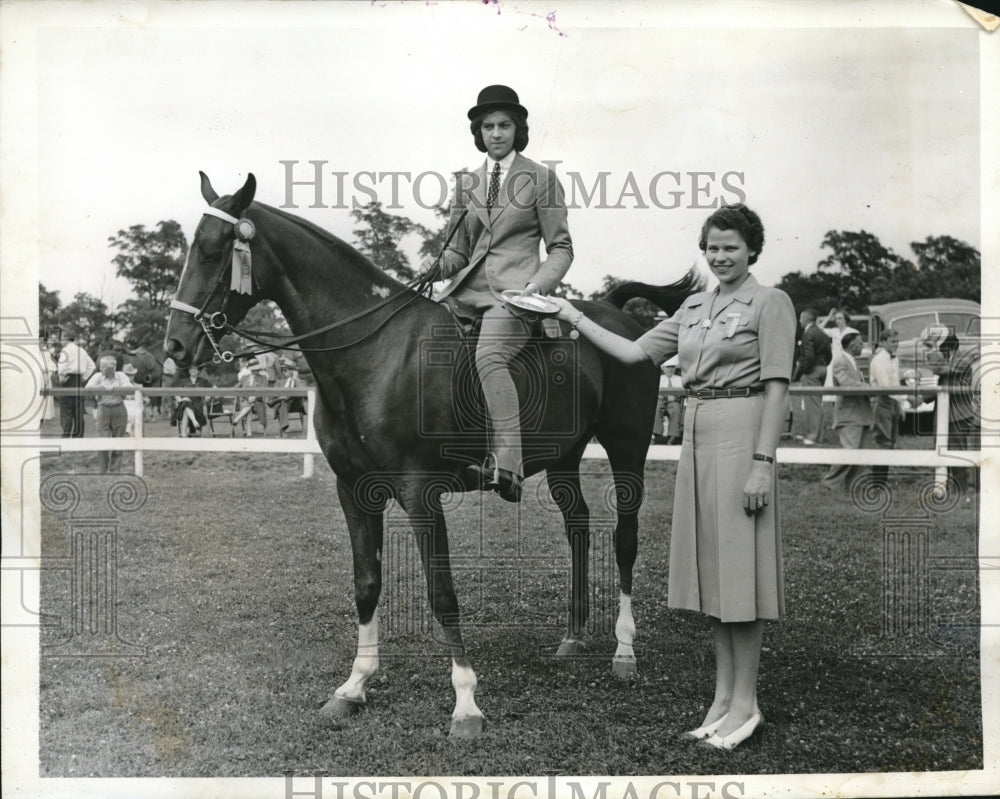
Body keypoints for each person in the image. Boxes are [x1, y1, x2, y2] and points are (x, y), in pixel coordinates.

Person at [551, 203, 795, 751]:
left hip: (743, 427)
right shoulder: (693, 306)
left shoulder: (770, 302)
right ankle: (722, 699)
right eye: (712, 247)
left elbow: (778, 386)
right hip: (699, 430)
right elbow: (634, 352)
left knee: (741, 572)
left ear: (752, 250)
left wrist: (763, 462)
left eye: (731, 247)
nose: (720, 256)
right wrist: (575, 318)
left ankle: (747, 704)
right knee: (713, 571)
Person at [424, 84, 573, 502]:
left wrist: (536, 288)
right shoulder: (467, 182)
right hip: (465, 290)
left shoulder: (542, 179)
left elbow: (561, 247)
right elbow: (457, 248)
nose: (496, 133)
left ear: (517, 128)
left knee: (489, 356)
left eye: (504, 125)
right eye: (488, 126)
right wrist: (436, 266)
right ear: (479, 132)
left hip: (514, 294)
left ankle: (509, 464)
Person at [821, 331, 873, 492]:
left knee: (860, 455)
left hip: (861, 413)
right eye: (860, 343)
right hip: (849, 415)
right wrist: (868, 388)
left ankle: (850, 487)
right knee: (849, 452)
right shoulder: (840, 361)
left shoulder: (853, 361)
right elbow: (845, 383)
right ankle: (829, 484)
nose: (863, 346)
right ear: (852, 345)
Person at [936, 333, 980, 501]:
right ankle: (957, 487)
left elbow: (944, 378)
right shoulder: (954, 360)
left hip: (957, 414)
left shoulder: (959, 361)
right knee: (953, 451)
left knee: (957, 452)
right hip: (954, 413)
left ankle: (961, 490)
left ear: (947, 348)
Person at [867, 329, 907, 488]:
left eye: (897, 342)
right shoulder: (879, 360)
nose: (895, 345)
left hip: (894, 401)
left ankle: (882, 480)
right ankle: (877, 483)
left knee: (890, 442)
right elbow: (885, 386)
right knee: (882, 441)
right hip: (882, 401)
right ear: (883, 342)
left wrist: (901, 404)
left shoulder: (894, 360)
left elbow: (895, 382)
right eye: (892, 342)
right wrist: (906, 397)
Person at [85, 356, 134, 473]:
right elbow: (88, 388)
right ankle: (102, 471)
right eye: (101, 367)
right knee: (103, 441)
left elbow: (129, 388)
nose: (101, 370)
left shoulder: (121, 375)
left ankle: (115, 471)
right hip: (103, 409)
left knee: (119, 441)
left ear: (113, 368)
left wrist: (115, 388)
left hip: (119, 409)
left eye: (104, 368)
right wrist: (102, 388)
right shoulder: (97, 376)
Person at [791, 308, 830, 445]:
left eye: (801, 317)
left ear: (806, 318)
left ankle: (812, 436)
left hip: (812, 371)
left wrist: (805, 371)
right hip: (823, 368)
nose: (799, 320)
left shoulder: (808, 334)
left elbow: (808, 356)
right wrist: (823, 365)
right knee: (817, 403)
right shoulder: (821, 333)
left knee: (811, 405)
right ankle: (818, 435)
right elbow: (828, 354)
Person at [56, 330, 97, 438]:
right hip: (78, 381)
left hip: (68, 379)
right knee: (78, 410)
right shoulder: (82, 351)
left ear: (65, 339)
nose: (61, 341)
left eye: (62, 339)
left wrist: (61, 379)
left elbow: (62, 367)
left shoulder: (65, 350)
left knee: (66, 410)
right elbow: (92, 366)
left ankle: (66, 435)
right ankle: (78, 436)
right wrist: (84, 378)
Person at [173, 364, 212, 437]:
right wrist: (179, 399)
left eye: (195, 369)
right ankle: (194, 422)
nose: (193, 371)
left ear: (198, 371)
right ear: (188, 371)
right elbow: (176, 394)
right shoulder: (183, 381)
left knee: (186, 408)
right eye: (191, 369)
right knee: (186, 401)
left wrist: (208, 395)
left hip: (198, 406)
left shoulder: (203, 381)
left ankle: (184, 433)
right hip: (184, 404)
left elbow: (214, 389)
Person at [652, 357, 684, 445]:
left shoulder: (679, 379)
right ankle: (655, 434)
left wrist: (676, 397)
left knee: (676, 409)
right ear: (663, 368)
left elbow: (682, 394)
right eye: (668, 367)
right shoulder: (659, 378)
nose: (670, 369)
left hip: (674, 401)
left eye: (672, 367)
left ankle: (673, 435)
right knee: (656, 408)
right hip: (660, 400)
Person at [269, 358, 305, 436]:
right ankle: (283, 430)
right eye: (282, 370)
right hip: (284, 404)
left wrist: (295, 379)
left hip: (294, 404)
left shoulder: (298, 381)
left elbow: (302, 393)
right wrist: (281, 396)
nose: (283, 372)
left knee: (284, 401)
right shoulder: (279, 381)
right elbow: (273, 393)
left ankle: (282, 430)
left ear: (292, 371)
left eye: (286, 370)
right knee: (283, 403)